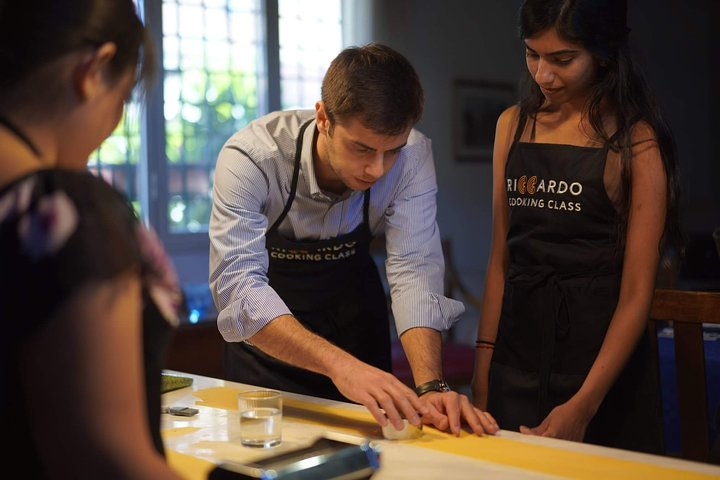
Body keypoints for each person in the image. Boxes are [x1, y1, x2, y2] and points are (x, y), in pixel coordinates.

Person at [209, 42, 498, 436]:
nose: (377, 169)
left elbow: (414, 268)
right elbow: (239, 289)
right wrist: (340, 366)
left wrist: (431, 385)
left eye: (390, 151)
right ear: (323, 118)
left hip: (355, 326)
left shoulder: (413, 157)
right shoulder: (252, 158)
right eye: (362, 148)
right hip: (269, 347)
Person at [472, 0, 681, 453]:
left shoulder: (636, 141)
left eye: (562, 59)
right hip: (516, 356)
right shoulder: (513, 125)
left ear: (603, 54)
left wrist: (584, 405)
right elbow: (500, 261)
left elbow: (636, 294)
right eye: (532, 54)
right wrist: (483, 366)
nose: (542, 75)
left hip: (600, 370)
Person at [0, 1, 183, 478]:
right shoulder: (61, 209)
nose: (112, 123)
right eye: (123, 97)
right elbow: (106, 458)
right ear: (95, 70)